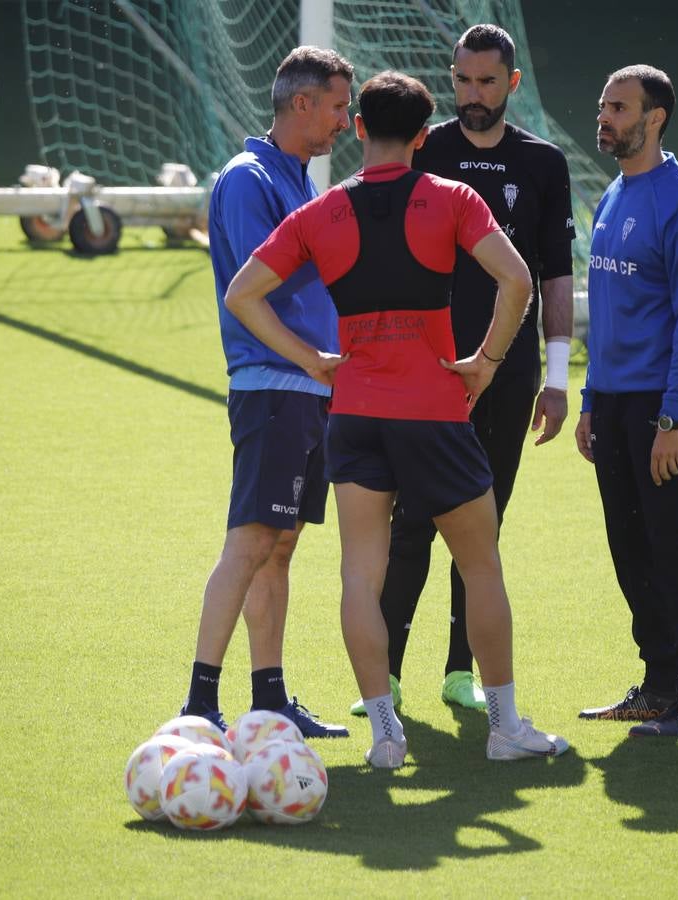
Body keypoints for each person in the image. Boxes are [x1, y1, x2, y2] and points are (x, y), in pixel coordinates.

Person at [223, 70, 570, 767]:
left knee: (361, 575)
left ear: (357, 130)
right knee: (481, 566)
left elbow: (243, 294)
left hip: (353, 414)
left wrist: (314, 358)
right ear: (422, 136)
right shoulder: (451, 198)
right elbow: (519, 280)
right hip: (436, 413)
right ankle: (505, 730)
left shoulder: (322, 213)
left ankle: (385, 737)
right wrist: (487, 361)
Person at [348, 24, 576, 718]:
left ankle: (460, 672)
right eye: (462, 81)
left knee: (482, 525)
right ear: (450, 79)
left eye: (487, 82)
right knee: (411, 519)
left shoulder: (542, 163)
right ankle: (383, 679)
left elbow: (555, 275)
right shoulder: (425, 148)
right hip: (428, 373)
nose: (473, 95)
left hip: (505, 376)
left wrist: (558, 375)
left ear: (512, 84)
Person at [177, 46, 355, 739]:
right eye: (338, 106)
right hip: (277, 386)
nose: (345, 120)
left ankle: (270, 698)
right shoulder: (250, 181)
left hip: (307, 390)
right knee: (250, 543)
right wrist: (313, 359)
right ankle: (198, 704)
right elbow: (247, 296)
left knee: (279, 547)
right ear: (302, 103)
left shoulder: (296, 179)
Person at [575, 64, 678, 736]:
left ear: (654, 117)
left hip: (662, 409)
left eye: (618, 107)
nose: (604, 118)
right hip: (612, 406)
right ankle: (659, 684)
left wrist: (674, 418)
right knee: (630, 546)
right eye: (603, 106)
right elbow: (605, 314)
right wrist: (587, 400)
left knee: (677, 544)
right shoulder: (613, 195)